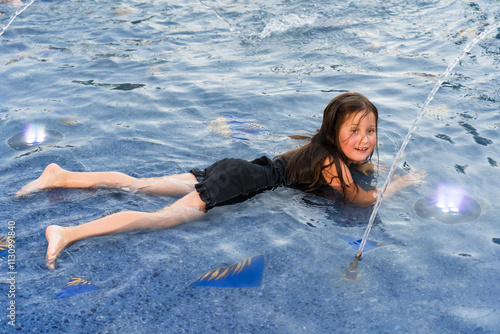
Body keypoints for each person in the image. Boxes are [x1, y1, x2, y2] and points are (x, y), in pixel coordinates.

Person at [16, 92, 426, 269]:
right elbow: (360, 201)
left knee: (140, 183)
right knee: (159, 217)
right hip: (234, 184)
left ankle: (62, 175)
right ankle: (67, 232)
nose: (363, 139)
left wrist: (370, 165)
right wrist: (399, 186)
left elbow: (352, 169)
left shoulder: (318, 153)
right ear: (333, 130)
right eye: (354, 130)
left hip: (235, 168)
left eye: (370, 131)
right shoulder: (331, 167)